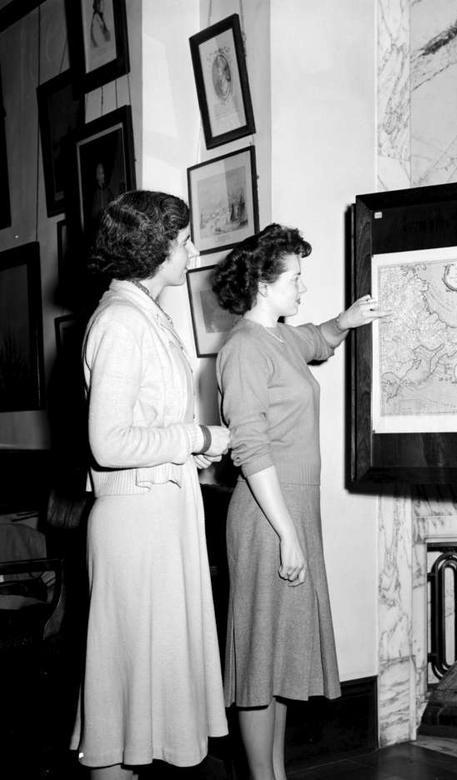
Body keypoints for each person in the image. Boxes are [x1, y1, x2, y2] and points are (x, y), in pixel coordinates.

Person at [211, 224, 385, 780]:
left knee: (282, 655)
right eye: (295, 278)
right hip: (268, 514)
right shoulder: (242, 348)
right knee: (262, 658)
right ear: (264, 283)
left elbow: (319, 337)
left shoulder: (281, 338)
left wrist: (347, 321)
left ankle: (275, 775)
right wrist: (286, 532)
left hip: (292, 511)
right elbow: (249, 447)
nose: (302, 288)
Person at [71, 190, 231, 779]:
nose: (191, 249)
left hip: (161, 516)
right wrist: (199, 438)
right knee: (123, 695)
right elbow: (108, 442)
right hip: (136, 522)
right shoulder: (119, 320)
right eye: (183, 239)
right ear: (156, 248)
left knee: (146, 690)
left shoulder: (142, 312)